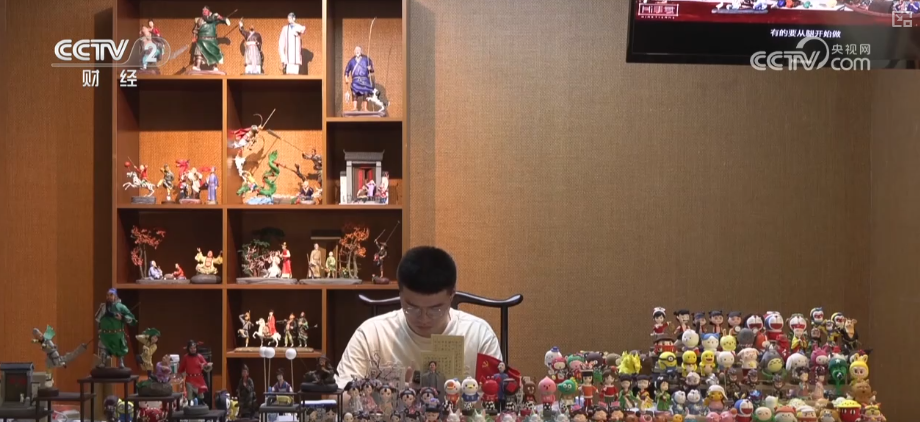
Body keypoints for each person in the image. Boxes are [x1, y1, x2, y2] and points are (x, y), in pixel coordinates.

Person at [334, 246, 502, 389]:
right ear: (400, 294)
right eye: (412, 308)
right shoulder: (373, 334)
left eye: (435, 309)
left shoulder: (478, 335)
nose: (424, 319)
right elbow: (338, 397)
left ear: (452, 295)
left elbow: (498, 399)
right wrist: (394, 394)